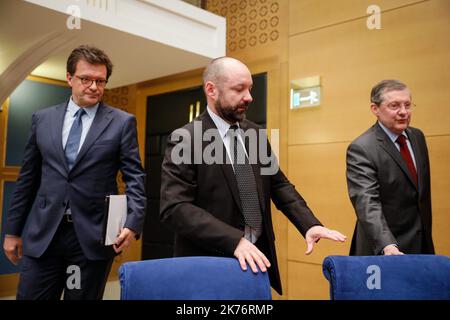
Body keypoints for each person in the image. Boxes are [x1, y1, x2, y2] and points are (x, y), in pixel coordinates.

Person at [160, 57, 346, 294]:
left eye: (250, 88)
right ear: (211, 90)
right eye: (239, 89)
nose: (249, 97)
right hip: (208, 263)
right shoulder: (185, 139)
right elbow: (175, 208)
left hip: (258, 261)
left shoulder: (255, 133)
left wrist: (309, 224)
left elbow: (279, 185)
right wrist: (235, 240)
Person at [2, 45, 146, 299]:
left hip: (90, 240)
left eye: (100, 81)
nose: (94, 86)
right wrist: (13, 231)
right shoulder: (42, 119)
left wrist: (132, 224)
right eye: (86, 79)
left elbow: (135, 177)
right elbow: (28, 179)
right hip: (44, 236)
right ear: (70, 78)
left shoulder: (122, 123)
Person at [346, 79, 435, 256]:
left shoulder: (417, 137)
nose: (403, 112)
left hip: (421, 245)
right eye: (394, 106)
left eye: (408, 105)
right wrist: (387, 244)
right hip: (383, 249)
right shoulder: (362, 148)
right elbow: (366, 202)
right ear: (375, 109)